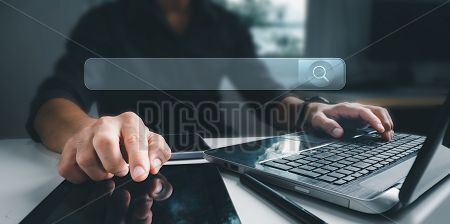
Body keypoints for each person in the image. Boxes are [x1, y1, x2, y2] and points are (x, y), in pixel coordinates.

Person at [28, 0, 394, 184]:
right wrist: (87, 131)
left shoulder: (226, 24)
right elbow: (53, 101)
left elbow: (266, 97)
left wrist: (311, 111)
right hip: (127, 174)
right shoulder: (104, 22)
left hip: (216, 169)